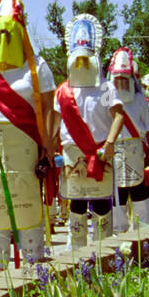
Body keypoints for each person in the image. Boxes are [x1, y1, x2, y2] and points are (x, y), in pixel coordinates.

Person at [0, 0, 57, 270]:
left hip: (27, 145)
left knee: (27, 206)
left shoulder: (38, 67)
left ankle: (34, 266)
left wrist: (48, 145)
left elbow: (50, 108)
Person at [54, 15, 125, 249]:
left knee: (102, 206)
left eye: (87, 60)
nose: (82, 64)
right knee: (77, 207)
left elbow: (119, 115)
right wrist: (48, 145)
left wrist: (112, 142)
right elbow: (55, 121)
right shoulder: (63, 91)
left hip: (100, 152)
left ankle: (103, 255)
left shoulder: (105, 87)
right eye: (78, 60)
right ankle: (76, 258)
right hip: (73, 154)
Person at [106, 48, 149, 232]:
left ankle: (144, 233)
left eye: (124, 79)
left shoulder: (141, 100)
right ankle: (119, 233)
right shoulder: (107, 100)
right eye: (116, 79)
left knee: (139, 193)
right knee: (118, 196)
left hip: (136, 151)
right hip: (115, 151)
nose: (120, 83)